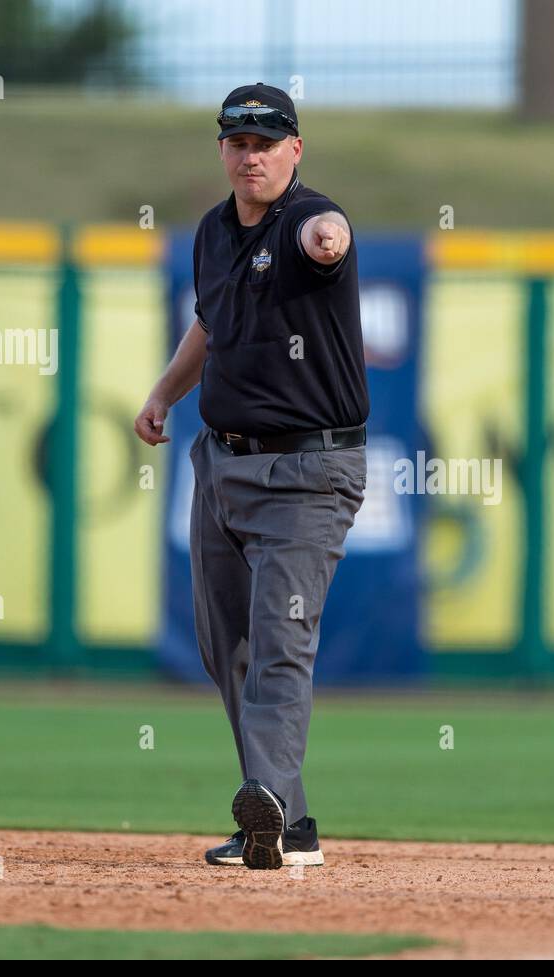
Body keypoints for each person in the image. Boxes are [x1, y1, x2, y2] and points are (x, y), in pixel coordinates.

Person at [133, 83, 368, 869]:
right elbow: (209, 322)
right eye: (238, 141)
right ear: (223, 150)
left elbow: (327, 237)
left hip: (307, 469)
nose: (252, 154)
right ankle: (284, 822)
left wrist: (331, 238)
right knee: (224, 643)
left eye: (268, 142)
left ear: (295, 150)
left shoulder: (308, 221)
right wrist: (165, 394)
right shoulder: (212, 232)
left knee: (279, 639)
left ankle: (265, 798)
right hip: (222, 462)